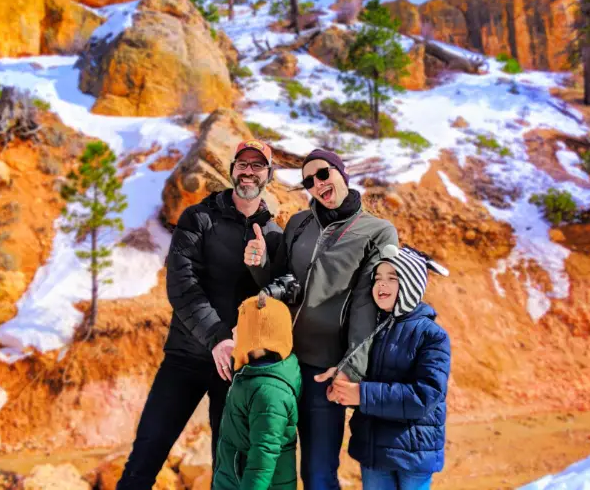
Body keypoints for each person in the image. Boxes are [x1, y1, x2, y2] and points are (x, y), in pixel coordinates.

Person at [116, 140, 283, 490]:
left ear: (269, 175)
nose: (249, 171)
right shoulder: (198, 217)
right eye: (243, 163)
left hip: (237, 369)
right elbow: (182, 286)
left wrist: (263, 264)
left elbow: (277, 298)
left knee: (229, 469)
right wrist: (218, 338)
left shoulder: (273, 236)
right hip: (185, 358)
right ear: (232, 169)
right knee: (145, 457)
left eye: (258, 165)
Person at [246, 148, 398, 490]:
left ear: (341, 173)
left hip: (324, 372)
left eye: (324, 174)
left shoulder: (378, 232)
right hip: (281, 362)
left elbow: (368, 306)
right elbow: (281, 282)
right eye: (309, 181)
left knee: (317, 475)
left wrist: (350, 368)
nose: (317, 184)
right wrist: (258, 264)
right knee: (272, 469)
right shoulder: (300, 223)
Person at [329, 245, 451, 490]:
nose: (381, 285)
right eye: (377, 278)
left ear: (411, 284)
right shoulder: (371, 331)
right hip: (374, 450)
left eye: (392, 278)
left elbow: (423, 396)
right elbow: (363, 378)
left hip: (413, 453)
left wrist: (361, 393)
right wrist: (343, 389)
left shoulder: (432, 336)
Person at [212, 291, 301, 490]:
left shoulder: (269, 393)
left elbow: (263, 458)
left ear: (254, 336)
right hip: (235, 479)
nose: (233, 330)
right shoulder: (252, 374)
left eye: (240, 324)